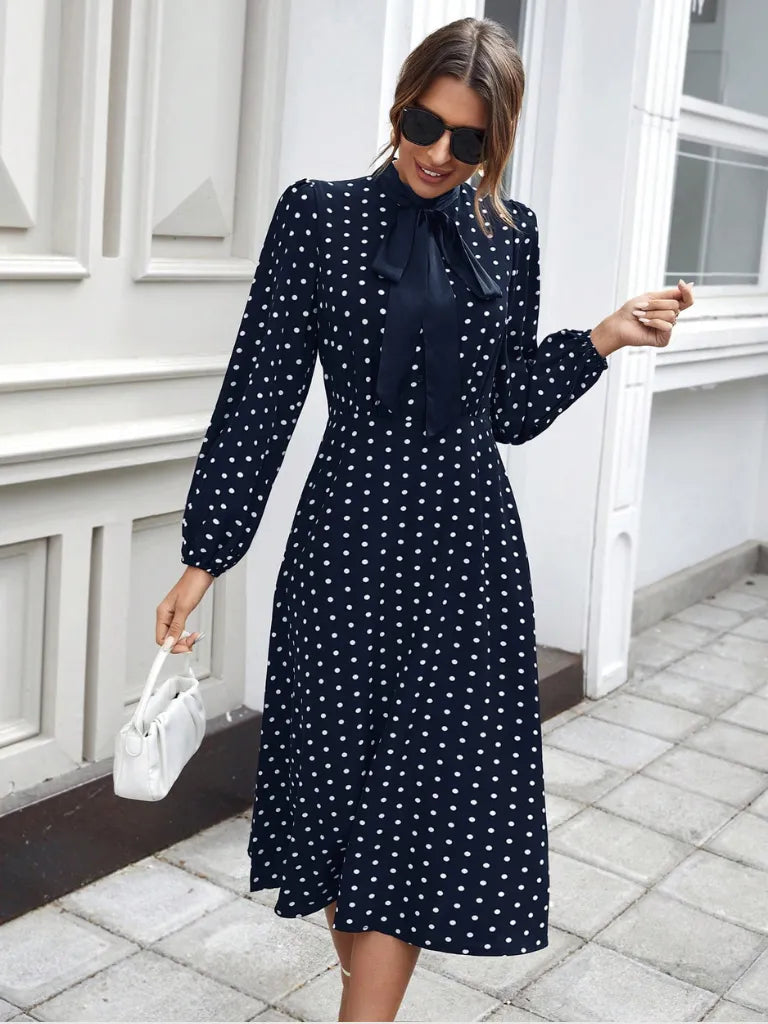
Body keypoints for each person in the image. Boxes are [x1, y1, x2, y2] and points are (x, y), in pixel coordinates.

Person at [156, 15, 694, 1022]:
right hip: (344, 544)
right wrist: (207, 554)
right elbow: (262, 390)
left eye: (470, 140)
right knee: (338, 806)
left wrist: (607, 336)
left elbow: (511, 408)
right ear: (399, 103)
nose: (441, 153)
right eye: (424, 123)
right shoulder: (316, 217)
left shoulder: (509, 233)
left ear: (497, 142)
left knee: (416, 816)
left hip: (463, 555)